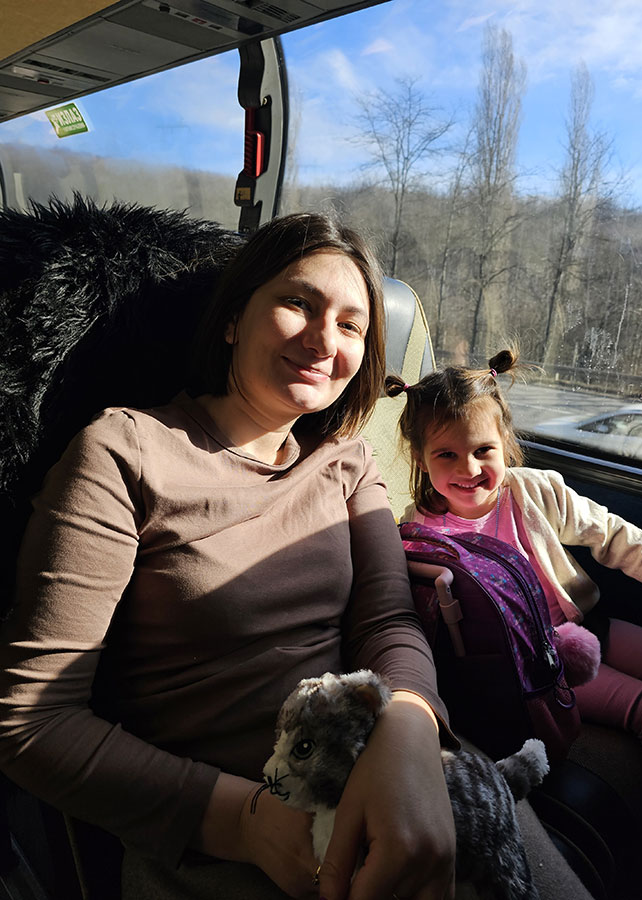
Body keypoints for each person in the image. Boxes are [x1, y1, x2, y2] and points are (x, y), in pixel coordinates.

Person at [0, 212, 456, 900]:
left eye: (351, 325)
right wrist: (248, 823)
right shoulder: (125, 452)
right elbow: (31, 720)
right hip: (217, 837)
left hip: (378, 772)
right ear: (233, 319)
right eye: (297, 302)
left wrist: (411, 725)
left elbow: (387, 620)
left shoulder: (348, 462)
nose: (322, 339)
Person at [386, 349, 642, 786]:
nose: (469, 468)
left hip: (590, 624)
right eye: (446, 455)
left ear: (505, 443)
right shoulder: (420, 533)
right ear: (420, 458)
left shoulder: (534, 492)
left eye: (483, 450)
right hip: (539, 664)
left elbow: (610, 533)